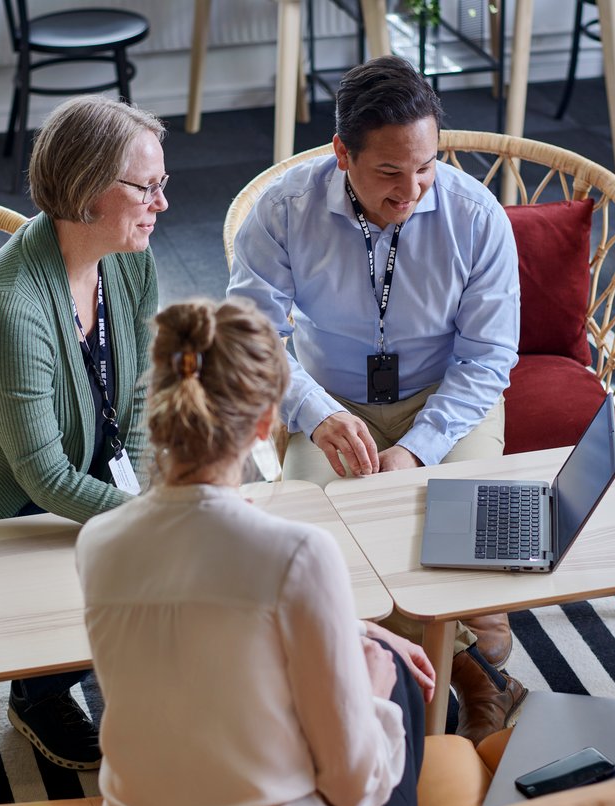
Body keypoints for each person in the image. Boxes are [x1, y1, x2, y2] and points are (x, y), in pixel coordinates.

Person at [76, 297, 434, 806]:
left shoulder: (99, 542)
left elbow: (204, 627)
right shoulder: (298, 554)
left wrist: (342, 623)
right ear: (266, 424)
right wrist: (371, 688)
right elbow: (353, 787)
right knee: (396, 678)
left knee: (370, 649)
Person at [227, 55, 526, 742]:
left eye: (424, 167)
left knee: (459, 545)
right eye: (389, 172)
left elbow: (489, 358)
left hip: (444, 399)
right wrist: (317, 412)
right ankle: (471, 670)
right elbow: (254, 336)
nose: (412, 190)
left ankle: (448, 666)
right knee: (318, 560)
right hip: (328, 402)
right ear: (342, 155)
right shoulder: (283, 210)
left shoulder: (476, 216)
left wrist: (418, 448)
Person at [0, 95, 168, 771]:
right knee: (109, 564)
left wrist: (140, 493)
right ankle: (37, 692)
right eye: (147, 187)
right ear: (87, 192)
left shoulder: (128, 258)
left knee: (150, 542)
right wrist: (152, 517)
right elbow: (42, 478)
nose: (162, 204)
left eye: (162, 184)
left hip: (84, 450)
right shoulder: (8, 308)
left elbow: (139, 389)